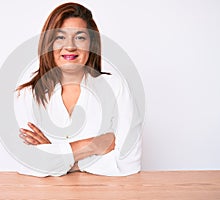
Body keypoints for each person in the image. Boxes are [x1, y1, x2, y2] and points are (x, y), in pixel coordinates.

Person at [14, 2, 142, 177]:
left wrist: (55, 155)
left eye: (80, 37)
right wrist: (92, 145)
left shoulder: (115, 87)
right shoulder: (26, 95)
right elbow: (27, 163)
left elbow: (128, 163)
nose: (70, 46)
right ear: (49, 43)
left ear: (92, 44)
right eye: (60, 37)